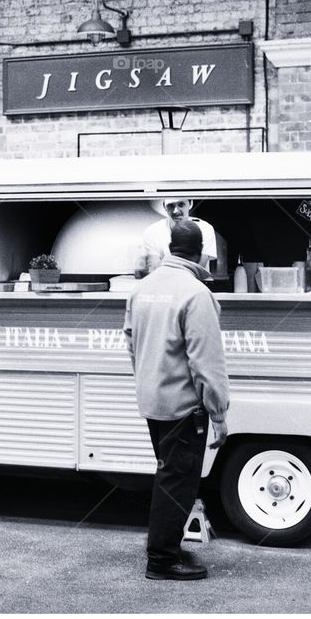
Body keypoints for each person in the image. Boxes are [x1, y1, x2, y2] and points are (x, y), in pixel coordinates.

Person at [123, 220, 230, 581]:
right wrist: (218, 412)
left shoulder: (143, 288)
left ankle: (166, 545)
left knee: (169, 473)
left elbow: (130, 342)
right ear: (201, 252)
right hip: (185, 408)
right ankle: (162, 559)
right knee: (178, 481)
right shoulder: (195, 294)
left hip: (153, 401)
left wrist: (147, 380)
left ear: (171, 247)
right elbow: (206, 363)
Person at [141, 198, 217, 275]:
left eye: (181, 204)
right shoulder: (152, 231)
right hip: (164, 283)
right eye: (171, 205)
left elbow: (199, 268)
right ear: (164, 207)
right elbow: (154, 269)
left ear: (190, 204)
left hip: (195, 283)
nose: (176, 211)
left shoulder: (205, 228)